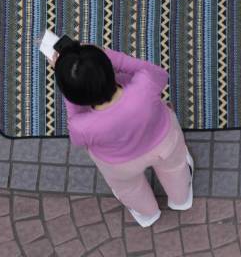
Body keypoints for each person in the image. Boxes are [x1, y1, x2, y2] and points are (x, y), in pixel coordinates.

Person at [49, 36, 193, 227]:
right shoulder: (145, 83)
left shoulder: (81, 126)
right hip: (164, 143)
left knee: (129, 190)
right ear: (109, 66)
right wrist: (107, 56)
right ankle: (181, 199)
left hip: (119, 165)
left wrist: (70, 89)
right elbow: (160, 74)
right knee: (175, 169)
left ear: (71, 95)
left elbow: (77, 140)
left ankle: (147, 213)